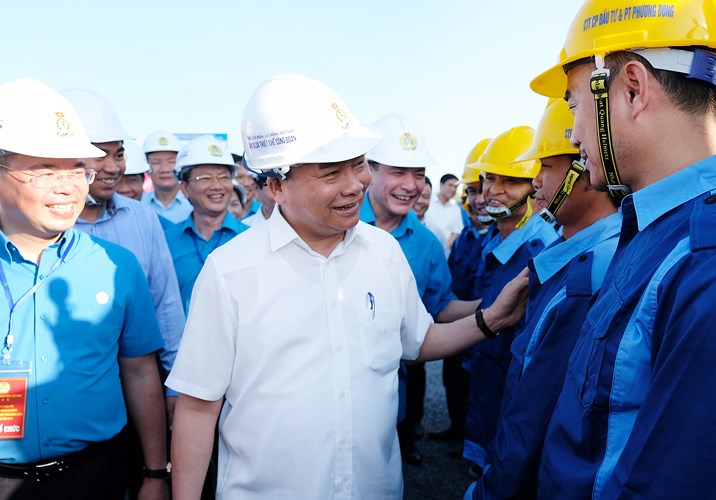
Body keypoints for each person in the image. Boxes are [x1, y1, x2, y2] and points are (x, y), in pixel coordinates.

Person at [167, 74, 529, 499]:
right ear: (277, 185)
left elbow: (419, 341)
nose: (354, 184)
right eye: (331, 172)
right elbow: (198, 407)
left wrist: (492, 319)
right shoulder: (230, 271)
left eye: (358, 164)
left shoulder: (385, 253)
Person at [528, 1, 716, 497]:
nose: (573, 133)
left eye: (574, 104)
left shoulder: (702, 258)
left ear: (633, 88)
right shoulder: (657, 229)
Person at [0, 78, 168, 499]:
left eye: (77, 169)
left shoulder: (116, 267)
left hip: (96, 478)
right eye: (45, 171)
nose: (68, 186)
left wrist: (154, 474)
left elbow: (139, 371)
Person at [466, 98, 621, 499]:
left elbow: (535, 412)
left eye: (546, 167)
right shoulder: (570, 256)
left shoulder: (591, 269)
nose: (536, 181)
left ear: (584, 165)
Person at [362, 112, 485, 466]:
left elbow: (440, 306)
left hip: (387, 393)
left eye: (418, 174)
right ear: (369, 170)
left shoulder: (427, 243)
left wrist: (491, 307)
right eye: (398, 172)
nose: (411, 185)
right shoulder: (338, 224)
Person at [463, 126, 559, 478]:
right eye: (489, 178)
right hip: (486, 377)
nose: (493, 190)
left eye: (510, 181)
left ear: (534, 186)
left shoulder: (542, 248)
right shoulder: (495, 237)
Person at [430, 138, 492, 446]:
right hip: (456, 321)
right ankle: (457, 431)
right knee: (452, 380)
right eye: (472, 192)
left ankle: (472, 441)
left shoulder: (501, 239)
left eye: (482, 191)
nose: (478, 199)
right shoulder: (466, 236)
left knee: (478, 387)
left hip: (485, 328)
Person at [164, 135, 249, 313]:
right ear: (185, 188)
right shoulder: (166, 241)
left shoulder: (251, 239)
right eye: (205, 178)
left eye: (223, 177)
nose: (217, 186)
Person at [142, 130, 193, 223]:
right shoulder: (139, 204)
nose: (165, 169)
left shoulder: (195, 204)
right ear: (147, 165)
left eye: (171, 162)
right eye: (156, 162)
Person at [424, 173, 465, 257]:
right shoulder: (427, 203)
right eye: (450, 185)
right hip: (423, 248)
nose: (453, 189)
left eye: (455, 187)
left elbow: (456, 232)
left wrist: (443, 249)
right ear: (441, 185)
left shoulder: (456, 209)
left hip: (443, 254)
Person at [231, 153, 262, 220]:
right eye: (240, 177)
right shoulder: (220, 213)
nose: (246, 183)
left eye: (250, 177)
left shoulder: (265, 211)